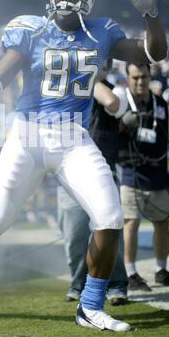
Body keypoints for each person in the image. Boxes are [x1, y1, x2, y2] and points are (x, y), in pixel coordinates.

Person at [0, 0, 167, 332]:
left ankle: (90, 307)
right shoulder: (33, 30)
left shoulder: (101, 32)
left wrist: (151, 14)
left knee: (108, 217)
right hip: (28, 135)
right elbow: (0, 75)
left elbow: (153, 55)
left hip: (73, 138)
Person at [58, 76, 129, 306]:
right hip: (70, 173)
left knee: (109, 231)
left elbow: (111, 103)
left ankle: (117, 284)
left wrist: (88, 77)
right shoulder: (64, 87)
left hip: (103, 174)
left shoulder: (114, 88)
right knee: (74, 237)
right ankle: (78, 283)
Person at [118, 62, 169, 291]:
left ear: (150, 75)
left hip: (157, 174)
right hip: (130, 173)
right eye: (135, 77)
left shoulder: (161, 104)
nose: (140, 81)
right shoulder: (120, 103)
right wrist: (121, 125)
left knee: (162, 222)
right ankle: (131, 273)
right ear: (127, 78)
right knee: (130, 223)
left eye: (143, 76)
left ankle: (161, 270)